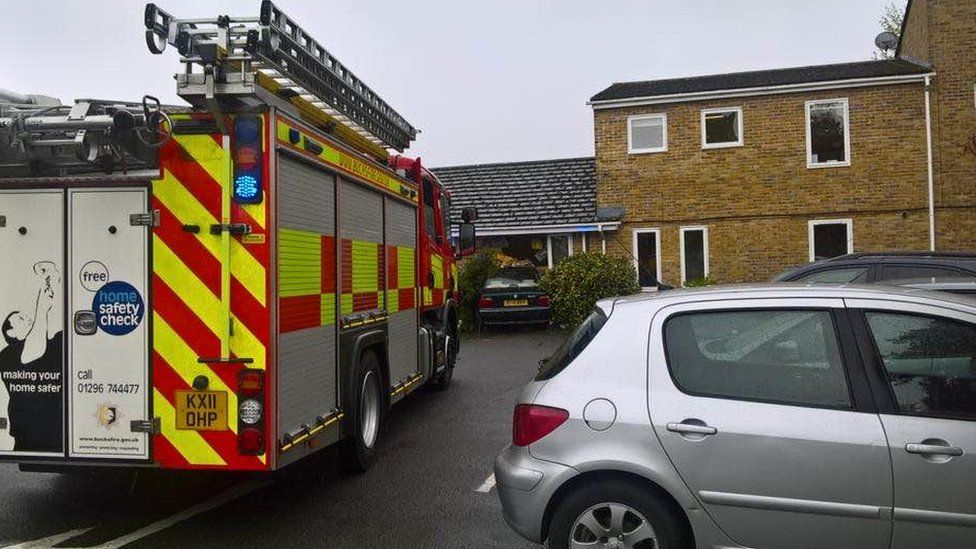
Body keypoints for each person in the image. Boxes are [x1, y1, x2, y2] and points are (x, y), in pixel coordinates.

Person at [0, 261, 63, 453]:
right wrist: (42, 307)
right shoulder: (8, 355)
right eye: (19, 318)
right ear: (12, 334)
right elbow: (34, 351)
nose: (26, 317)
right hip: (31, 434)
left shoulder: (52, 343)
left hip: (57, 430)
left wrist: (51, 278)